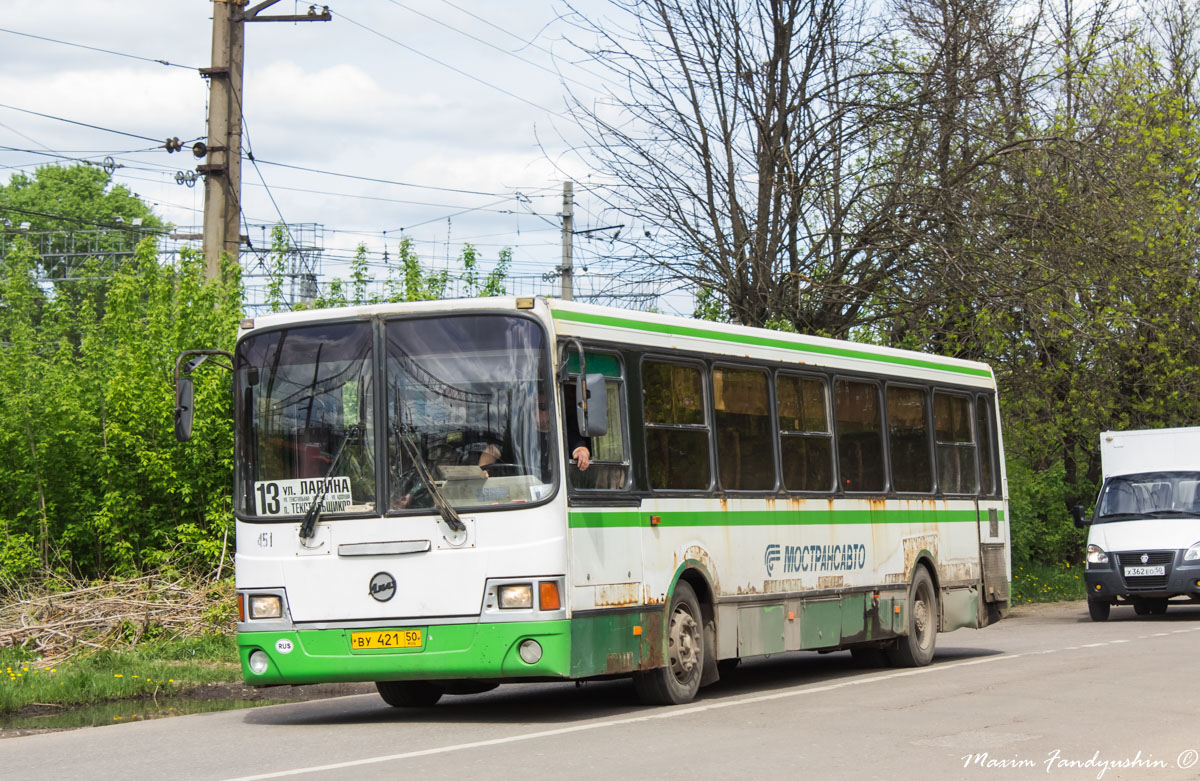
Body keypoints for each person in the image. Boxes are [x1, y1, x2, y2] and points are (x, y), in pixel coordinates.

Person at [478, 390, 590, 475]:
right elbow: (491, 450)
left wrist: (582, 455)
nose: (536, 410)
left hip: (555, 491)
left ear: (552, 409)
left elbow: (580, 448)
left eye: (542, 407)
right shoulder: (518, 434)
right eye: (533, 406)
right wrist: (483, 470)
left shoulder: (563, 433)